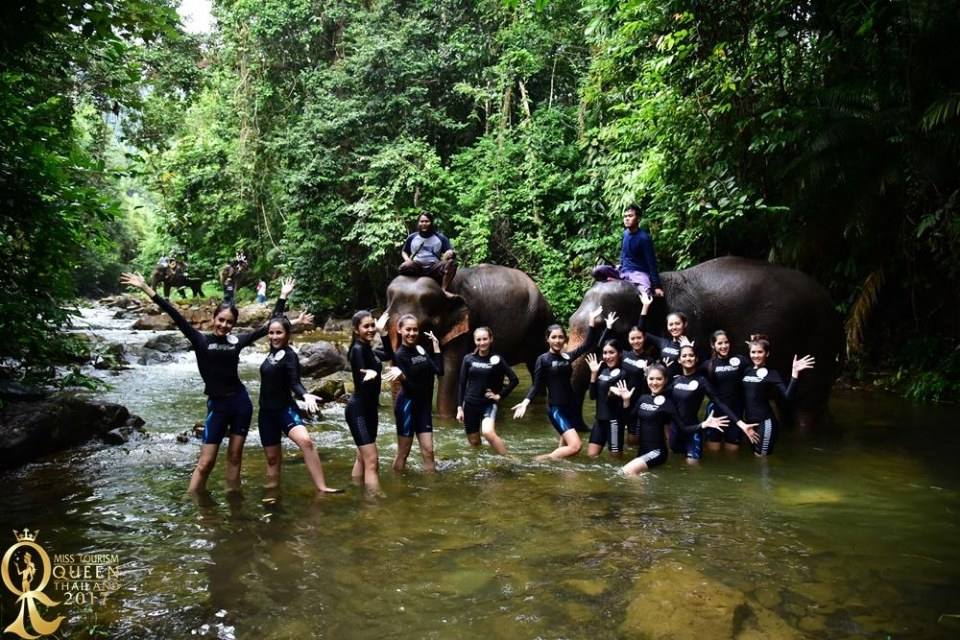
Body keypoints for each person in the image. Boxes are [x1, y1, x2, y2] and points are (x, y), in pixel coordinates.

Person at [120, 271, 293, 493]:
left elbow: (267, 326)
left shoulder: (237, 341)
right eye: (221, 320)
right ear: (213, 319)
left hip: (240, 404)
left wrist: (282, 297)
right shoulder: (200, 339)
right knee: (205, 463)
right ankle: (192, 501)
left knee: (234, 457)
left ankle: (233, 502)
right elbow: (174, 313)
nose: (224, 325)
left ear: (234, 324)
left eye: (229, 322)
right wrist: (146, 288)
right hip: (218, 406)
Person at [512, 307, 616, 461]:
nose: (558, 340)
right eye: (554, 337)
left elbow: (587, 345)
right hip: (556, 409)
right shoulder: (543, 360)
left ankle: (560, 471)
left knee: (565, 448)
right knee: (575, 446)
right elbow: (537, 384)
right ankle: (537, 461)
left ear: (565, 339)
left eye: (561, 337)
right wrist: (526, 402)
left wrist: (592, 322)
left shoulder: (567, 357)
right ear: (547, 339)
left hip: (571, 406)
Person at [258, 309, 341, 493]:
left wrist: (305, 395)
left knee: (306, 442)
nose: (274, 336)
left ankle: (322, 487)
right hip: (266, 413)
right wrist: (283, 298)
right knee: (272, 459)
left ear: (287, 335)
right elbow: (276, 319)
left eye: (279, 333)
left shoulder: (290, 355)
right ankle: (272, 492)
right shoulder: (270, 354)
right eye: (271, 333)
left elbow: (294, 382)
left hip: (284, 409)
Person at [616, 365, 728, 476]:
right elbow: (628, 420)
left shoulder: (668, 404)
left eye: (659, 379)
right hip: (642, 451)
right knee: (634, 476)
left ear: (665, 380)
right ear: (647, 379)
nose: (654, 383)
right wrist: (626, 401)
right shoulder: (642, 399)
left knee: (625, 472)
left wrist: (703, 425)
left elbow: (683, 428)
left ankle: (637, 495)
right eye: (651, 379)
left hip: (657, 452)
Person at [346, 310, 396, 494]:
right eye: (365, 326)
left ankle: (356, 490)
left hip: (370, 411)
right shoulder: (357, 349)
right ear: (356, 329)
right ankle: (374, 503)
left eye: (372, 325)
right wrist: (370, 375)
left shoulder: (369, 349)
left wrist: (383, 333)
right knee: (372, 460)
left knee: (362, 457)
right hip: (358, 410)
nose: (370, 329)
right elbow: (360, 377)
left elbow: (390, 354)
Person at [741, 335, 815, 456]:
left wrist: (794, 374)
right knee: (754, 456)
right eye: (753, 352)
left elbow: (788, 396)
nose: (756, 355)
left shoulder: (772, 374)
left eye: (760, 352)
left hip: (765, 422)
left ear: (767, 353)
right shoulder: (746, 371)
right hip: (749, 422)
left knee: (761, 458)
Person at [668, 344, 743, 463]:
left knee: (693, 467)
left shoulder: (702, 381)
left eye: (691, 355)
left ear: (696, 359)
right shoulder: (674, 381)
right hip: (675, 431)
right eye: (684, 356)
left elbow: (719, 402)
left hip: (693, 431)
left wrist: (739, 422)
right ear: (679, 360)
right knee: (675, 464)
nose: (688, 358)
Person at [391, 314, 442, 472]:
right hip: (407, 406)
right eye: (408, 329)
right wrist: (403, 379)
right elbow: (411, 389)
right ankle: (398, 489)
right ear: (400, 330)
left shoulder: (420, 349)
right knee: (403, 453)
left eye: (415, 330)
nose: (412, 333)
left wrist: (436, 346)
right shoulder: (399, 355)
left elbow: (439, 370)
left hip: (424, 406)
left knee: (429, 451)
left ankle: (431, 492)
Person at [456, 327, 519, 456]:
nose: (482, 342)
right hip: (470, 405)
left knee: (488, 432)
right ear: (475, 341)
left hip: (488, 404)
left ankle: (509, 459)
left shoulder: (497, 359)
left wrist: (499, 396)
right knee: (474, 442)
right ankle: (481, 463)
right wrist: (459, 408)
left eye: (485, 339)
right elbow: (462, 383)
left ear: (490, 339)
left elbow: (514, 380)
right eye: (478, 339)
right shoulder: (468, 359)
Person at [592, 203, 664, 297]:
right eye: (625, 216)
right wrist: (620, 265)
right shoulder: (625, 234)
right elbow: (623, 254)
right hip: (623, 271)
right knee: (597, 270)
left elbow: (652, 263)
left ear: (638, 219)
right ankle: (618, 281)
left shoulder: (644, 238)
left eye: (630, 216)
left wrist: (657, 286)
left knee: (645, 295)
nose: (626, 218)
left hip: (638, 274)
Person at [699, 330, 752, 451]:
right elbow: (690, 373)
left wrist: (755, 344)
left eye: (726, 342)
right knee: (714, 453)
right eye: (720, 343)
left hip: (736, 413)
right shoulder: (708, 365)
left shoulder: (741, 361)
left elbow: (756, 370)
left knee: (732, 454)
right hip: (715, 415)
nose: (724, 346)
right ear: (713, 345)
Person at [636, 291, 695, 377]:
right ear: (667, 327)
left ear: (684, 324)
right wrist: (645, 306)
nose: (674, 327)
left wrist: (688, 348)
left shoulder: (691, 344)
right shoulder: (663, 342)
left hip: (677, 385)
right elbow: (641, 331)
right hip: (660, 383)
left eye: (677, 324)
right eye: (671, 324)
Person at [585, 340, 628, 459]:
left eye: (611, 352)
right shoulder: (602, 370)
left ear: (619, 353)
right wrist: (593, 374)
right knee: (591, 457)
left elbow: (620, 402)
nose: (607, 356)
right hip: (599, 421)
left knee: (615, 461)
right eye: (605, 353)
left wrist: (611, 394)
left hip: (614, 422)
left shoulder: (623, 373)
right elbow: (592, 396)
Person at [398, 212, 457, 293]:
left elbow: (449, 250)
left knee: (452, 264)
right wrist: (407, 260)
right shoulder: (412, 237)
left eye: (427, 221)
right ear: (418, 223)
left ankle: (444, 289)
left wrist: (449, 253)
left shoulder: (440, 237)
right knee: (404, 266)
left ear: (431, 223)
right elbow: (404, 251)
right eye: (422, 221)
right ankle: (405, 289)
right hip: (417, 266)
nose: (424, 224)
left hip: (434, 267)